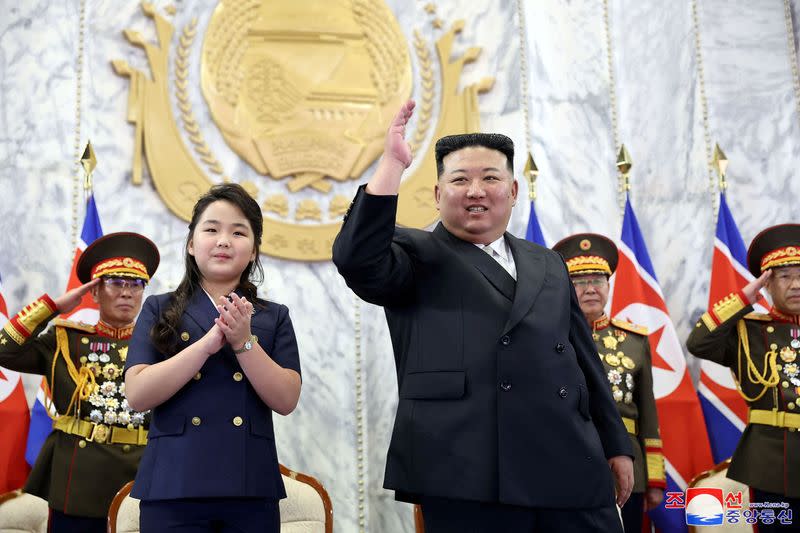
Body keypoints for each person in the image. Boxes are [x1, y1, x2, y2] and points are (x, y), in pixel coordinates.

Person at [332, 100, 633, 532]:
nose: (476, 190)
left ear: (512, 191)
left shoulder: (547, 262)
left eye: (491, 178)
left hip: (569, 459)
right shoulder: (412, 253)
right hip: (464, 468)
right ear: (438, 196)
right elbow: (356, 259)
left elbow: (585, 361)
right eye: (460, 180)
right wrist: (392, 166)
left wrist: (615, 444)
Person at [124, 183, 302, 533]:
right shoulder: (159, 308)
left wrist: (242, 342)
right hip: (173, 486)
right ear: (191, 244)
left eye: (238, 232)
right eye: (211, 229)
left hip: (249, 486)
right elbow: (138, 394)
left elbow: (286, 399)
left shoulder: (272, 316)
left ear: (253, 251)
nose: (223, 240)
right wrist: (205, 346)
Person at [0, 232, 159, 532]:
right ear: (95, 292)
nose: (127, 292)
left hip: (142, 476)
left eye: (135, 284)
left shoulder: (161, 345)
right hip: (79, 479)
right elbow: (4, 349)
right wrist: (53, 307)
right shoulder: (64, 341)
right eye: (116, 283)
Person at [687, 223, 800, 531]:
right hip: (770, 464)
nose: (795, 284)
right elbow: (698, 343)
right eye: (784, 276)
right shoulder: (748, 330)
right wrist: (744, 297)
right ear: (767, 283)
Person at [553, 233, 666, 532]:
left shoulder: (634, 340)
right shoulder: (551, 338)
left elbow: (648, 412)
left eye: (598, 280)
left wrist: (654, 478)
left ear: (608, 286)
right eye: (579, 282)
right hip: (569, 458)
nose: (590, 289)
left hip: (628, 462)